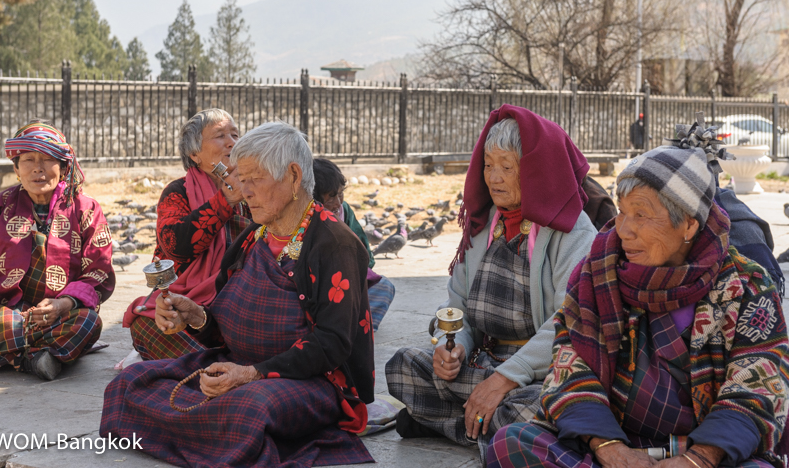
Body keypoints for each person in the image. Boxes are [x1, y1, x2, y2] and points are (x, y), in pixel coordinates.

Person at [487, 145, 789, 468]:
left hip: (704, 453)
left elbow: (756, 388)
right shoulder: (597, 272)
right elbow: (569, 363)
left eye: (641, 214)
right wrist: (610, 448)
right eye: (622, 211)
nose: (623, 229)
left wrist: (697, 459)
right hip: (616, 444)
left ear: (688, 225)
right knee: (510, 443)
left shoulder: (746, 286)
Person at [101, 121, 375, 467]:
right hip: (239, 365)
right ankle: (214, 435)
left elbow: (333, 343)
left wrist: (253, 374)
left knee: (249, 409)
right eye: (240, 180)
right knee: (130, 382)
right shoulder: (252, 237)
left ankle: (210, 431)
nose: (244, 191)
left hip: (308, 381)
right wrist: (195, 315)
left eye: (254, 179)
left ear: (293, 177)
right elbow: (224, 325)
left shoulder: (333, 243)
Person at [385, 105, 598, 462]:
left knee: (537, 407)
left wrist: (503, 380)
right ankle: (482, 426)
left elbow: (568, 322)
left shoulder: (573, 232)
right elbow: (456, 306)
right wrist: (452, 347)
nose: (493, 177)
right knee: (402, 367)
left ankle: (450, 421)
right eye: (488, 165)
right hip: (482, 360)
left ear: (532, 171)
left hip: (534, 376)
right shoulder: (484, 224)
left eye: (506, 166)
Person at [0, 121, 114, 380]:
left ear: (64, 168)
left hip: (59, 314)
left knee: (88, 323)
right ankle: (34, 358)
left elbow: (98, 273)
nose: (38, 169)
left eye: (47, 159)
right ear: (17, 169)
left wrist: (63, 304)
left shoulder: (86, 209)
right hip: (0, 311)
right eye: (28, 160)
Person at [123, 108, 250, 361]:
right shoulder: (178, 192)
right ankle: (217, 369)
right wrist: (225, 200)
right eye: (220, 135)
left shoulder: (251, 189)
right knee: (149, 324)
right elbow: (175, 245)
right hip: (185, 300)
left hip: (236, 298)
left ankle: (203, 369)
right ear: (194, 153)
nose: (232, 142)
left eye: (235, 135)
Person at [312, 157, 396, 331]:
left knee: (384, 287)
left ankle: (356, 331)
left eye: (340, 193)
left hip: (349, 282)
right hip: (321, 290)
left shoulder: (345, 211)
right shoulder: (308, 218)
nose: (337, 203)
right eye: (330, 197)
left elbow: (364, 253)